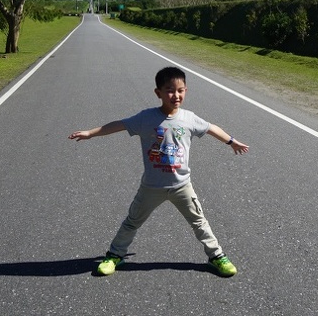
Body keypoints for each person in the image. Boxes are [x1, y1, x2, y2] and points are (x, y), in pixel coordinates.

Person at [69, 66, 249, 277]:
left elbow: (210, 128)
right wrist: (91, 133)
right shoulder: (147, 118)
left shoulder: (189, 118)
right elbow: (120, 124)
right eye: (170, 90)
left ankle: (217, 256)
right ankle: (115, 256)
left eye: (180, 90)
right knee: (132, 221)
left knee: (200, 222)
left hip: (182, 186)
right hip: (152, 187)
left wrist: (231, 141)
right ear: (158, 93)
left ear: (186, 91)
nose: (176, 95)